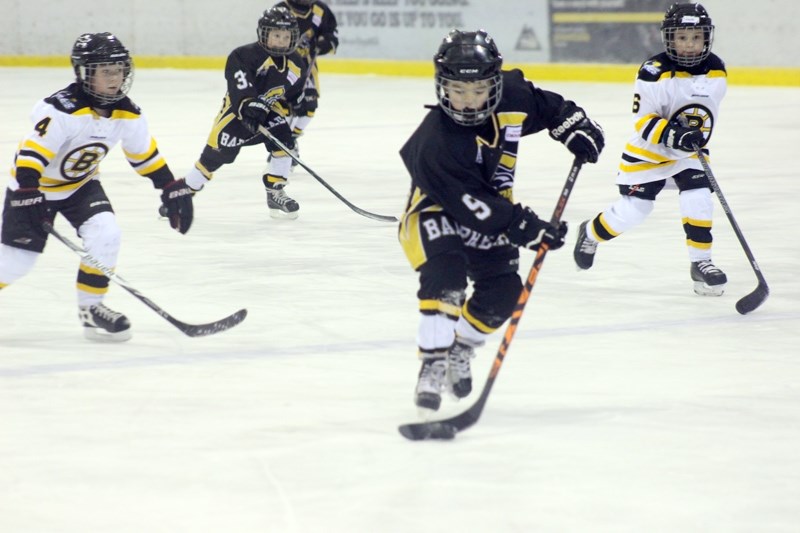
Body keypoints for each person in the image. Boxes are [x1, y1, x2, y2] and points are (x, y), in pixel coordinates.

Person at [398, 29, 604, 412]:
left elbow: (550, 108)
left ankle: (460, 348)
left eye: (478, 90)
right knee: (446, 277)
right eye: (458, 90)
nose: (468, 101)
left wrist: (574, 127)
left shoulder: (512, 95)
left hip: (495, 210)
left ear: (494, 82)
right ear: (441, 86)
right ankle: (432, 363)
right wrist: (523, 225)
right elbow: (472, 206)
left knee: (503, 293)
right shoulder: (435, 143)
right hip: (436, 211)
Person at [0, 32, 193, 342]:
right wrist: (26, 191)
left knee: (106, 233)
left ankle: (91, 308)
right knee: (15, 264)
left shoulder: (127, 112)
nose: (114, 78)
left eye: (118, 70)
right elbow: (31, 155)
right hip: (34, 190)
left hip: (80, 187)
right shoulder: (62, 110)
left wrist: (169, 186)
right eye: (105, 71)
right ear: (84, 73)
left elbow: (144, 155)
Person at [573, 3, 728, 296]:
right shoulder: (652, 72)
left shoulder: (717, 70)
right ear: (669, 39)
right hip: (648, 154)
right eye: (682, 38)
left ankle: (701, 261)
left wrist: (689, 138)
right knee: (636, 210)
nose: (689, 45)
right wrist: (674, 133)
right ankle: (591, 232)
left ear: (706, 37)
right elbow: (643, 121)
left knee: (699, 196)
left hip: (686, 155)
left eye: (696, 37)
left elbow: (704, 115)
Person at [179, 6, 306, 218]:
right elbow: (240, 89)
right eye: (276, 35)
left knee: (285, 141)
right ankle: (184, 192)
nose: (282, 40)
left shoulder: (296, 64)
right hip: (237, 114)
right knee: (215, 157)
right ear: (264, 33)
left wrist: (297, 103)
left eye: (286, 36)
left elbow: (290, 94)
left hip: (268, 112)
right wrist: (249, 108)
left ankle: (275, 191)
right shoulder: (243, 56)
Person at [273, 0, 338, 158]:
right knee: (284, 107)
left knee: (309, 107)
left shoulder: (320, 10)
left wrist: (326, 43)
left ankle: (291, 140)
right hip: (283, 66)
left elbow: (331, 34)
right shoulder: (281, 9)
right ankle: (282, 142)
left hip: (306, 66)